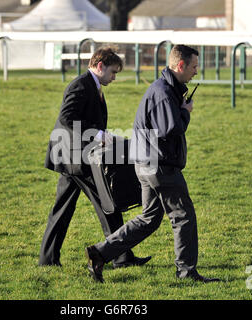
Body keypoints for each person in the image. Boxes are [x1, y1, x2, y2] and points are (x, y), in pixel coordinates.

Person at [85, 45, 220, 283]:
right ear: (181, 65)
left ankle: (99, 253)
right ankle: (186, 271)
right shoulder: (163, 92)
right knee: (183, 215)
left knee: (149, 219)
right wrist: (186, 112)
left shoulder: (164, 89)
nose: (196, 72)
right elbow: (170, 129)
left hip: (146, 163)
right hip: (159, 165)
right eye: (194, 66)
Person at [40, 47, 151, 268]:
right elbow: (67, 118)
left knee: (65, 210)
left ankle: (48, 260)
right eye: (113, 72)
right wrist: (97, 134)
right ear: (100, 66)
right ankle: (121, 257)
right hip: (76, 159)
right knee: (108, 204)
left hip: (74, 158)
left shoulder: (91, 85)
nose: (114, 77)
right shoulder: (81, 85)